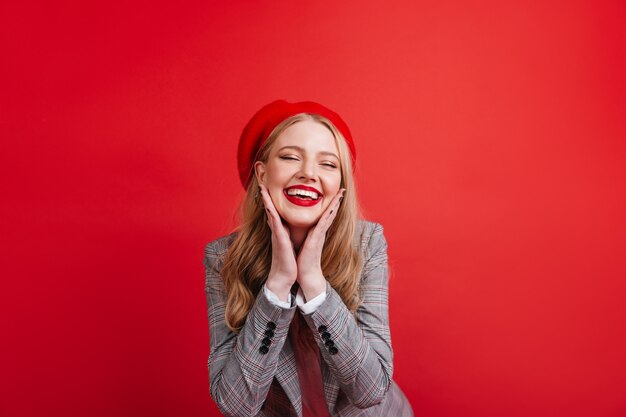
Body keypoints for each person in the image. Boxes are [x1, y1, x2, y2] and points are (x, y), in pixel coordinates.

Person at [203, 100, 414, 417]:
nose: (308, 174)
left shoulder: (367, 242)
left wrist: (315, 286)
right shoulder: (223, 257)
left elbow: (371, 391)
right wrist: (276, 288)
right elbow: (236, 405)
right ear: (261, 173)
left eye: (328, 165)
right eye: (289, 157)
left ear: (341, 185)